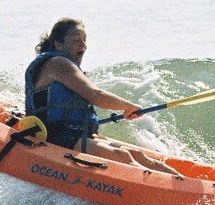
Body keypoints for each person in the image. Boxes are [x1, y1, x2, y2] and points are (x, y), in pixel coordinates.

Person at [25, 18, 179, 175]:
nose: (83, 45)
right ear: (58, 44)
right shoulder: (58, 64)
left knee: (138, 155)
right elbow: (96, 96)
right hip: (56, 135)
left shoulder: (67, 66)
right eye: (76, 40)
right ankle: (163, 190)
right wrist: (129, 107)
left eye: (84, 40)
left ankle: (181, 183)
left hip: (78, 133)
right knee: (121, 155)